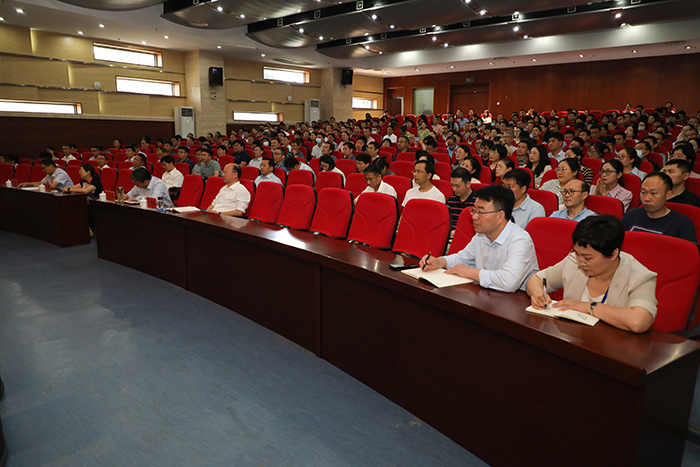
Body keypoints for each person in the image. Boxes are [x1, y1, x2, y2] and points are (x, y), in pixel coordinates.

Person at [526, 215, 657, 333]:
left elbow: (639, 321)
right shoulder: (573, 262)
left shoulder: (640, 277)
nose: (580, 262)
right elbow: (536, 279)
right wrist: (537, 292)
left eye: (587, 258)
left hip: (612, 346)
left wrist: (589, 307)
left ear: (613, 254)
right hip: (571, 337)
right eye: (577, 253)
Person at [420, 185, 539, 292]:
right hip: (487, 295)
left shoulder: (520, 240)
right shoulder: (481, 235)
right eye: (474, 211)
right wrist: (438, 262)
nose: (474, 217)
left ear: (500, 216)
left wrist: (470, 272)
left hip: (515, 302)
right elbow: (463, 259)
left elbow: (509, 281)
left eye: (480, 212)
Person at [621, 172, 697, 244]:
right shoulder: (631, 215)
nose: (647, 198)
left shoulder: (682, 224)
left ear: (668, 195)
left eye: (653, 193)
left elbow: (688, 252)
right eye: (643, 192)